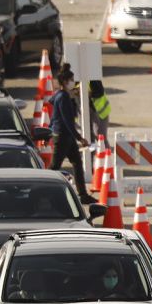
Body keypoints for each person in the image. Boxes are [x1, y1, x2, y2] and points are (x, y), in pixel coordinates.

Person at [49, 66, 96, 203]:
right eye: (71, 80)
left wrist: (49, 131)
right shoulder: (63, 97)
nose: (73, 82)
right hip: (63, 136)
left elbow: (54, 118)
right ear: (64, 81)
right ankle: (42, 190)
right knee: (54, 167)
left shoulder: (60, 95)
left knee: (76, 163)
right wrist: (80, 138)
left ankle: (83, 195)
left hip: (65, 136)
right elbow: (67, 121)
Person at [88, 80, 111, 145]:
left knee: (101, 137)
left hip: (101, 111)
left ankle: (106, 153)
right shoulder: (79, 77)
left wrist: (89, 94)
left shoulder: (93, 77)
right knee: (95, 136)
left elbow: (99, 91)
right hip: (92, 112)